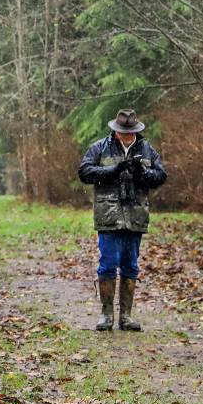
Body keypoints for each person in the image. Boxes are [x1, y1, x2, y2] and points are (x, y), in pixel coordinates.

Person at [77, 109, 167, 331]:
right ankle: (106, 315)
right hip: (108, 215)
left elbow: (161, 177)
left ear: (136, 131)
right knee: (107, 264)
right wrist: (112, 170)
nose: (126, 137)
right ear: (115, 131)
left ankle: (125, 316)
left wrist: (142, 174)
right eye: (122, 133)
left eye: (130, 133)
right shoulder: (99, 147)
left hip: (135, 216)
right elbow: (85, 172)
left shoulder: (147, 149)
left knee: (130, 265)